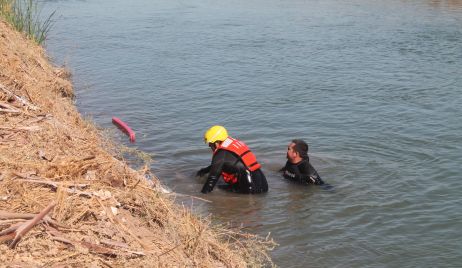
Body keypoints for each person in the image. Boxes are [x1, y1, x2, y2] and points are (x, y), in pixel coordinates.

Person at [196, 125, 268, 194]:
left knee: (217, 188)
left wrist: (201, 196)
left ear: (217, 142)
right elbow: (222, 164)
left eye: (210, 143)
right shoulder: (232, 144)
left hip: (250, 189)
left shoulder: (220, 155)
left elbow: (211, 180)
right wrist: (205, 170)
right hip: (263, 184)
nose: (209, 145)